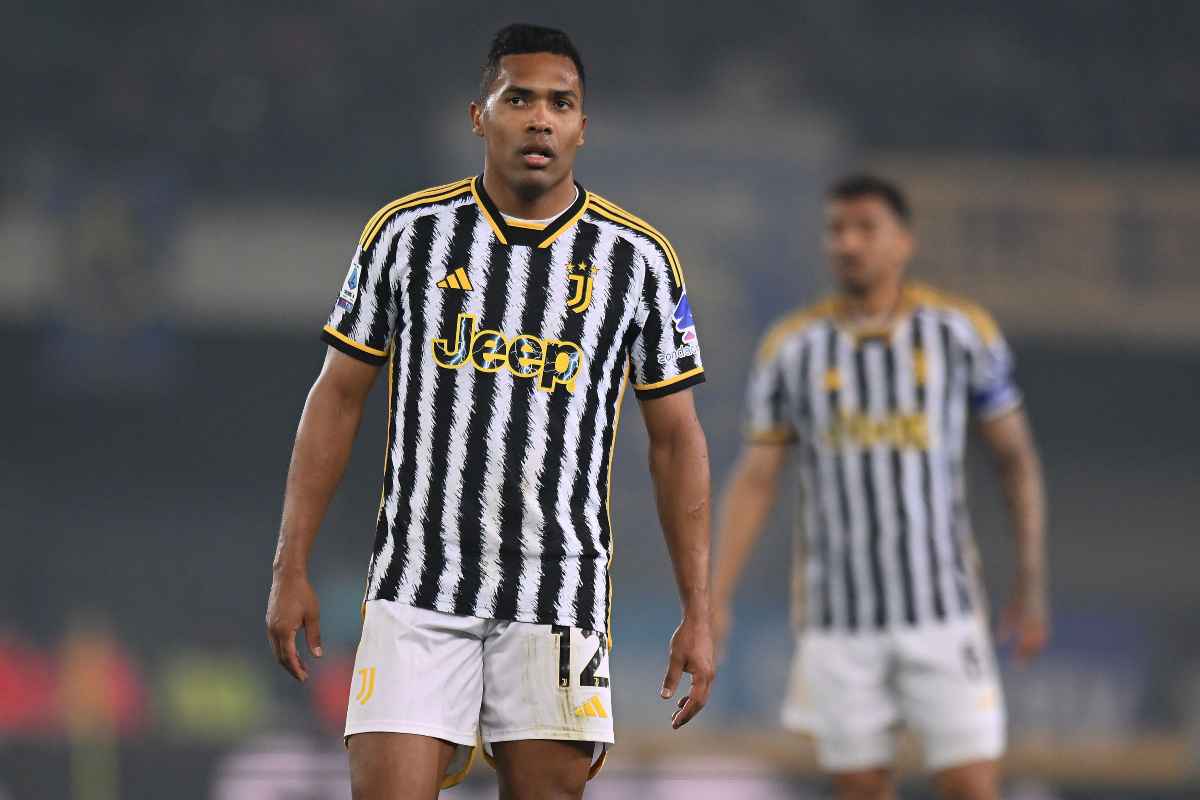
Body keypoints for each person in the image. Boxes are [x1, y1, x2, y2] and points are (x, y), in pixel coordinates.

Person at [265, 23, 715, 800]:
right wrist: (289, 564)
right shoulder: (407, 237)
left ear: (582, 126)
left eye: (560, 104)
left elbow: (676, 439)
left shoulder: (638, 261)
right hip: (418, 587)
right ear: (480, 116)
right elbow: (337, 396)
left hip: (559, 595)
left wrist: (698, 609)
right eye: (519, 100)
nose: (540, 119)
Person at [712, 175, 1048, 800]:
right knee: (861, 788)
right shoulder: (791, 348)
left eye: (866, 229)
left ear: (904, 242)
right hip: (839, 619)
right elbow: (756, 479)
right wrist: (717, 596)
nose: (848, 243)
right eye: (836, 229)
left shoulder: (960, 333)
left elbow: (1015, 459)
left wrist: (1030, 582)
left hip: (943, 610)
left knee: (972, 785)